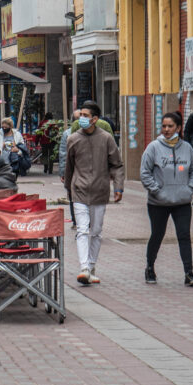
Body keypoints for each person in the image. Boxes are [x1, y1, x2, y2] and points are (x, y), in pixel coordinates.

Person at [65, 100, 124, 285]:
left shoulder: (106, 138)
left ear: (95, 119)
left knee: (96, 231)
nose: (81, 118)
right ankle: (84, 268)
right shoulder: (73, 139)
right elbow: (69, 167)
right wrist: (69, 187)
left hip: (100, 191)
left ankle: (91, 267)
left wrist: (118, 187)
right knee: (82, 230)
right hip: (79, 190)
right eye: (80, 115)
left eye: (85, 116)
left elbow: (117, 164)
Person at [140, 112, 193, 287]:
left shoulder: (187, 148)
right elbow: (144, 172)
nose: (166, 130)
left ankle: (189, 273)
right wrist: (155, 190)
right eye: (164, 126)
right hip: (158, 202)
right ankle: (150, 267)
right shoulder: (153, 147)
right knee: (157, 235)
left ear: (179, 128)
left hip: (182, 202)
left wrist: (190, 188)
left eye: (170, 126)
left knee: (184, 235)